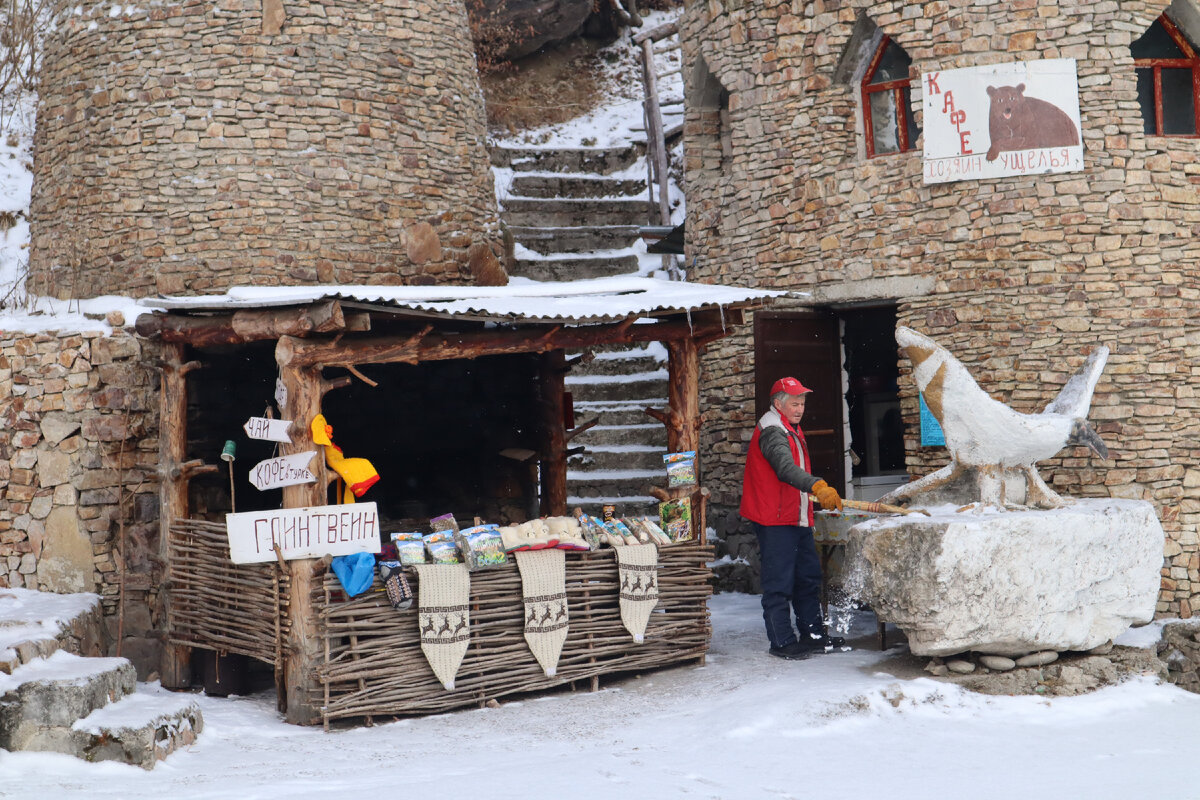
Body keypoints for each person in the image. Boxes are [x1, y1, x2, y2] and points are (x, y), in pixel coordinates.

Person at [740, 376, 847, 660]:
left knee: (807, 578)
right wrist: (817, 486)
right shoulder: (773, 430)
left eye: (802, 403)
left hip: (795, 515)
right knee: (779, 583)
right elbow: (785, 468)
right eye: (794, 403)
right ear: (778, 404)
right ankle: (782, 641)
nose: (800, 408)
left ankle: (812, 636)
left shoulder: (790, 427)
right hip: (774, 518)